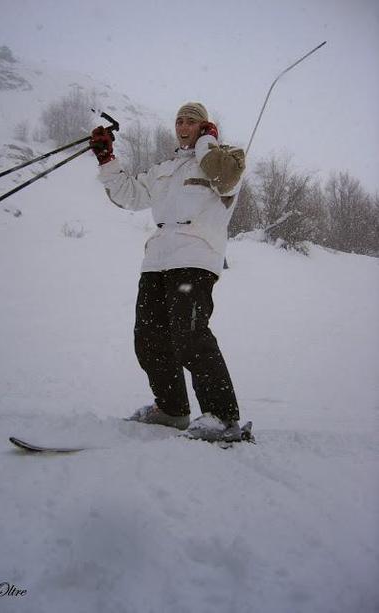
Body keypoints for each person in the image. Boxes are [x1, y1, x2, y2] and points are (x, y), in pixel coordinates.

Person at [89, 102, 246, 442]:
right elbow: (130, 195)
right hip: (157, 260)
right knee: (148, 339)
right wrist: (107, 159)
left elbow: (225, 179)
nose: (183, 126)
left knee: (190, 336)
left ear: (205, 127)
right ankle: (172, 410)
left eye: (191, 122)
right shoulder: (165, 168)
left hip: (195, 256)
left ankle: (222, 418)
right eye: (179, 121)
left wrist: (209, 143)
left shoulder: (226, 158)